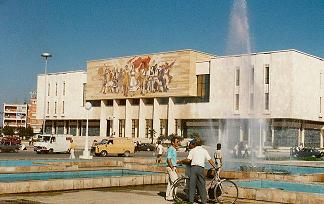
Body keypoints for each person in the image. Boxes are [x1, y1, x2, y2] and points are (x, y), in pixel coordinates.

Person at [186, 138, 217, 204]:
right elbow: (210, 160)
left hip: (193, 168)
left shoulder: (192, 150)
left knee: (192, 185)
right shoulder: (204, 151)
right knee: (202, 185)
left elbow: (188, 160)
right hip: (200, 168)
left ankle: (191, 201)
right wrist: (215, 167)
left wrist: (181, 161)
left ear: (195, 144)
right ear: (201, 144)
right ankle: (203, 201)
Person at [165, 136, 180, 201]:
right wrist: (172, 167)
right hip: (171, 167)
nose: (178, 143)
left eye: (178, 142)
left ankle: (168, 196)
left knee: (171, 182)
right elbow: (168, 159)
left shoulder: (173, 149)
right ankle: (172, 195)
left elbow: (172, 159)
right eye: (177, 142)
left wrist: (175, 165)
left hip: (172, 166)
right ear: (173, 142)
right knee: (175, 181)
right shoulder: (171, 149)